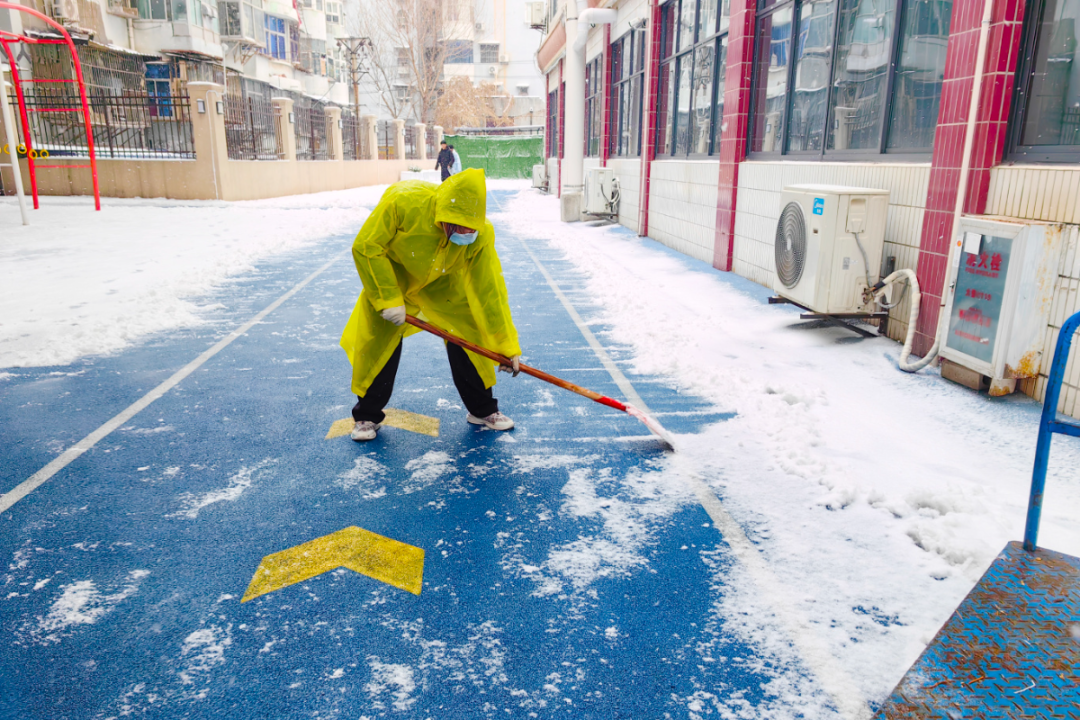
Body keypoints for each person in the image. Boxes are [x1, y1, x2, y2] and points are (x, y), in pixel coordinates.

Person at [340, 168, 522, 442]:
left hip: (443, 285)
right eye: (459, 226)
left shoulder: (481, 236)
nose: (467, 232)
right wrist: (387, 297)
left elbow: (490, 291)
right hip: (394, 279)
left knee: (468, 335)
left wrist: (505, 346)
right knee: (377, 343)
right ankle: (367, 415)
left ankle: (482, 409)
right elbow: (366, 246)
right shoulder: (402, 202)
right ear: (443, 216)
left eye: (471, 227)